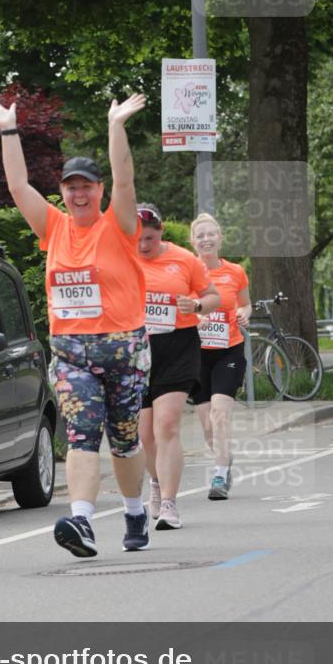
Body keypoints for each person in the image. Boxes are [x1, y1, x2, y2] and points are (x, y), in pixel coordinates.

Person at [0, 94, 151, 557]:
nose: (79, 195)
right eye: (71, 187)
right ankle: (83, 521)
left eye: (87, 187)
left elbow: (125, 177)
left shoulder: (118, 224)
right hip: (73, 351)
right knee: (81, 435)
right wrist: (8, 129)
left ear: (98, 192)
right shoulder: (53, 228)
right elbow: (17, 186)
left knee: (125, 440)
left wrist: (115, 125)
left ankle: (135, 510)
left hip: (125, 349)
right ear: (62, 192)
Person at [137, 204, 220, 531]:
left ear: (161, 232)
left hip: (178, 346)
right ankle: (156, 482)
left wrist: (196, 304)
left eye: (150, 238)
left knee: (167, 424)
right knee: (144, 433)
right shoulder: (121, 257)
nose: (144, 245)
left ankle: (170, 504)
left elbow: (212, 297)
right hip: (137, 352)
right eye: (138, 238)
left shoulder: (184, 260)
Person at [189, 212, 251, 500]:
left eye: (210, 234)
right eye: (200, 236)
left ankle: (219, 474)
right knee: (206, 424)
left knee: (219, 414)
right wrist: (193, 319)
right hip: (197, 355)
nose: (206, 239)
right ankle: (224, 457)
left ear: (220, 238)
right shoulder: (187, 273)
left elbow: (246, 304)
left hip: (230, 349)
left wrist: (243, 314)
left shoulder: (235, 272)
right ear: (193, 242)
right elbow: (178, 309)